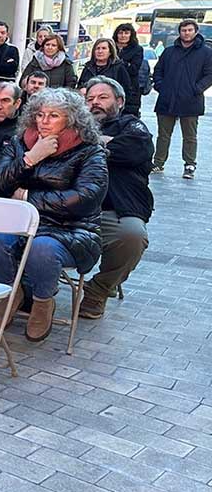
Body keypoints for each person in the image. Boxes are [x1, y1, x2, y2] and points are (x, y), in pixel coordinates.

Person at [0, 88, 108, 342]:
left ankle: (42, 301)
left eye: (53, 116)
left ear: (71, 120)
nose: (44, 121)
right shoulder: (21, 143)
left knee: (42, 248)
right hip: (21, 224)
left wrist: (27, 198)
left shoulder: (90, 151)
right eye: (40, 115)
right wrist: (30, 158)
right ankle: (12, 292)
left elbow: (84, 198)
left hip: (71, 229)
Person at [79, 78, 153, 319]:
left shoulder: (132, 125)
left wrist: (90, 144)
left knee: (133, 236)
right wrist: (104, 143)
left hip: (116, 208)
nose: (95, 103)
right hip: (71, 207)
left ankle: (99, 289)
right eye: (90, 99)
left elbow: (134, 150)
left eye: (102, 97)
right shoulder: (74, 124)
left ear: (119, 102)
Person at [152, 18, 212, 179]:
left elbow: (209, 75)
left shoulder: (206, 53)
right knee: (163, 135)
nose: (186, 33)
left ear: (196, 32)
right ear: (179, 32)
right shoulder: (169, 51)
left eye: (190, 30)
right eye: (184, 30)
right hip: (167, 100)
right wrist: (161, 87)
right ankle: (158, 163)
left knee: (190, 136)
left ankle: (189, 165)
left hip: (191, 100)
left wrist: (196, 89)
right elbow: (158, 71)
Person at [112, 22, 146, 116]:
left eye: (126, 33)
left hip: (130, 89)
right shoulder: (110, 47)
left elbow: (134, 69)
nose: (123, 36)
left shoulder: (137, 49)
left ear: (131, 35)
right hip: (111, 86)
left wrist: (120, 62)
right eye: (120, 33)